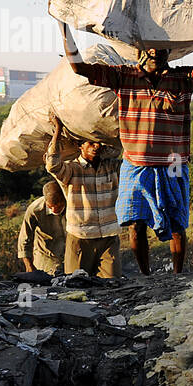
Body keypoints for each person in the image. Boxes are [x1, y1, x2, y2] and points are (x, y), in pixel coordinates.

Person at [56, 14, 193, 273]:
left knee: (176, 224)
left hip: (173, 164)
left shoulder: (184, 78)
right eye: (151, 50)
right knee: (135, 223)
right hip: (136, 164)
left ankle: (177, 274)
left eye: (162, 51)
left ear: (168, 54)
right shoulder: (124, 78)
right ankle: (146, 275)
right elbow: (80, 68)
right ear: (141, 52)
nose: (156, 54)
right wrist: (64, 30)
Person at [45, 115, 123, 277]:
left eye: (99, 143)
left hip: (109, 236)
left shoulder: (112, 167)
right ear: (79, 146)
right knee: (77, 286)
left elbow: (131, 160)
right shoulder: (72, 169)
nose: (96, 146)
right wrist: (58, 130)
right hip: (81, 237)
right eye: (91, 143)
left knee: (112, 284)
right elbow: (52, 165)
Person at [17, 182, 67, 274]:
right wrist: (29, 266)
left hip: (69, 257)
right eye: (50, 207)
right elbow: (24, 239)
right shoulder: (35, 210)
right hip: (46, 259)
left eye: (59, 206)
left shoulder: (73, 205)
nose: (54, 210)